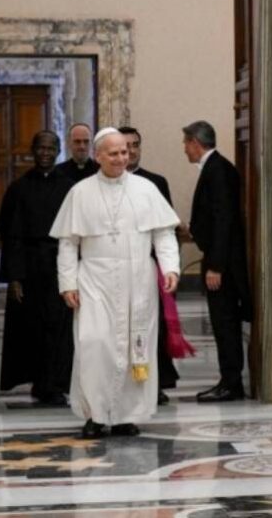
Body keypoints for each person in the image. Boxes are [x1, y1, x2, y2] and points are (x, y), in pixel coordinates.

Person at [51, 128, 180, 438]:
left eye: (125, 151)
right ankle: (95, 415)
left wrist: (171, 267)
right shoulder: (80, 192)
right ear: (99, 156)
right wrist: (67, 282)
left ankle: (125, 416)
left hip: (138, 280)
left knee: (134, 346)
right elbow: (68, 243)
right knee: (94, 344)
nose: (122, 157)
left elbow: (163, 233)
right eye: (114, 153)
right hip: (95, 281)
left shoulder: (146, 189)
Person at [0, 130, 75, 406]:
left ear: (57, 151)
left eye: (50, 148)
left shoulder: (69, 188)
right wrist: (14, 277)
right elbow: (11, 236)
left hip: (59, 265)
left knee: (58, 327)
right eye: (40, 148)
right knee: (32, 329)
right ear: (33, 150)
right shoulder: (18, 188)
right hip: (29, 268)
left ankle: (54, 384)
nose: (45, 153)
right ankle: (37, 382)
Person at [183, 121, 252, 402]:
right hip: (218, 259)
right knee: (222, 323)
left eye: (186, 144)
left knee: (225, 324)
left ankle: (231, 383)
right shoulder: (215, 168)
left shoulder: (218, 171)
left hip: (222, 265)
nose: (184, 150)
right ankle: (228, 379)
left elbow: (225, 221)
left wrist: (216, 266)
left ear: (196, 143)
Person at [119, 126, 182, 406]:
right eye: (125, 145)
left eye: (135, 145)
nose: (130, 151)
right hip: (113, 273)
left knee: (151, 330)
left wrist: (168, 268)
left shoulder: (156, 182)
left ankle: (153, 383)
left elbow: (166, 231)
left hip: (148, 269)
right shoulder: (97, 183)